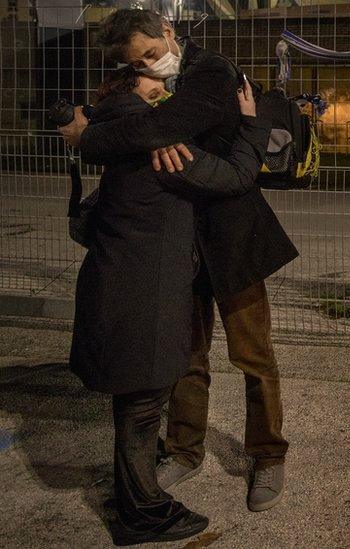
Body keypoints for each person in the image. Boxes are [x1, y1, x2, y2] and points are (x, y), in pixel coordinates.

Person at [58, 9, 297, 511]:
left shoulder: (212, 70)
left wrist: (91, 139)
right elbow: (134, 116)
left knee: (253, 355)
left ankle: (268, 455)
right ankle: (185, 450)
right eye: (138, 61)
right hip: (177, 245)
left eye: (151, 50)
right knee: (186, 357)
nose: (150, 63)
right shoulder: (146, 91)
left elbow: (166, 122)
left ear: (168, 30)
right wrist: (146, 129)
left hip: (233, 237)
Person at [69, 69, 269, 545]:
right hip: (144, 298)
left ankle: (137, 499)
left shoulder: (112, 138)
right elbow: (236, 176)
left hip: (112, 290)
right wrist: (250, 122)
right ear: (130, 91)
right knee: (141, 409)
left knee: (132, 407)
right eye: (150, 83)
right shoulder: (162, 150)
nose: (163, 91)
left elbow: (84, 217)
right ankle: (142, 514)